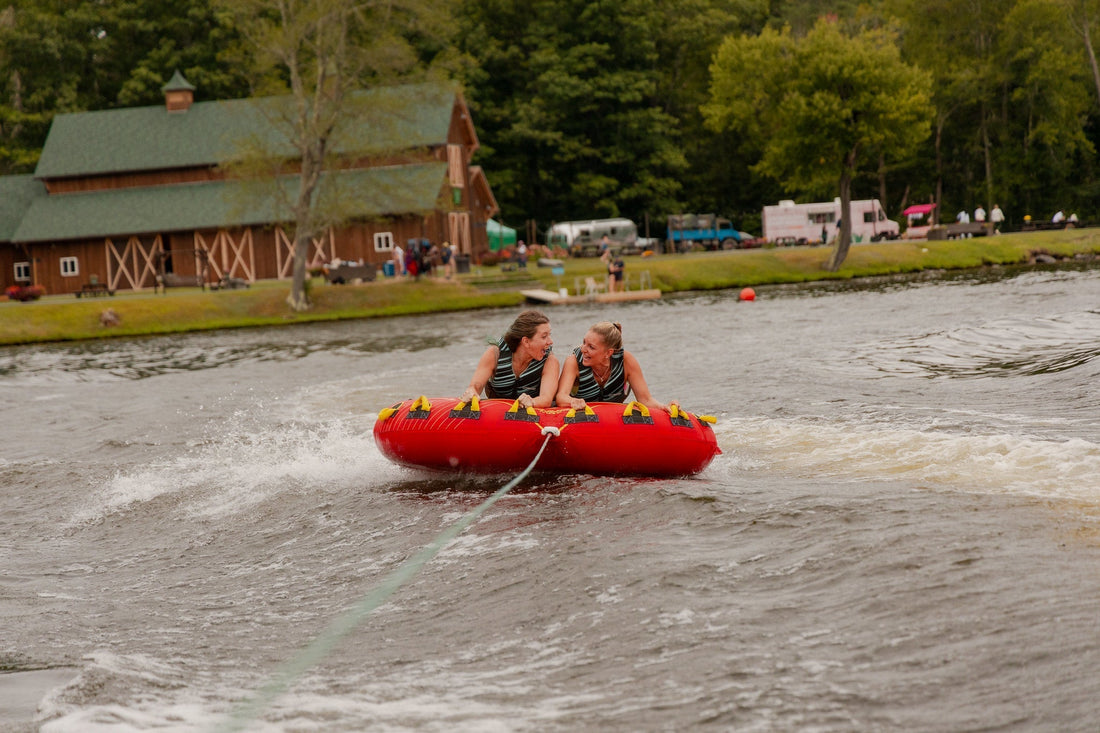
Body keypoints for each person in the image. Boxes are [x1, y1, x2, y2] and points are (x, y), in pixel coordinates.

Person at [556, 321, 676, 413]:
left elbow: (645, 400)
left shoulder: (626, 361)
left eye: (591, 347)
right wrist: (573, 401)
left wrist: (664, 407)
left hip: (613, 420)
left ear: (608, 353)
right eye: (584, 342)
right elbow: (561, 397)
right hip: (581, 419)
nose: (583, 349)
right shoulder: (573, 362)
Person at [460, 310, 560, 409]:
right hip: (497, 413)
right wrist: (472, 391)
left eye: (549, 335)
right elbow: (476, 386)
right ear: (526, 341)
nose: (550, 342)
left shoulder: (550, 361)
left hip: (532, 414)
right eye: (544, 336)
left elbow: (546, 399)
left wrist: (532, 402)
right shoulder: (494, 354)